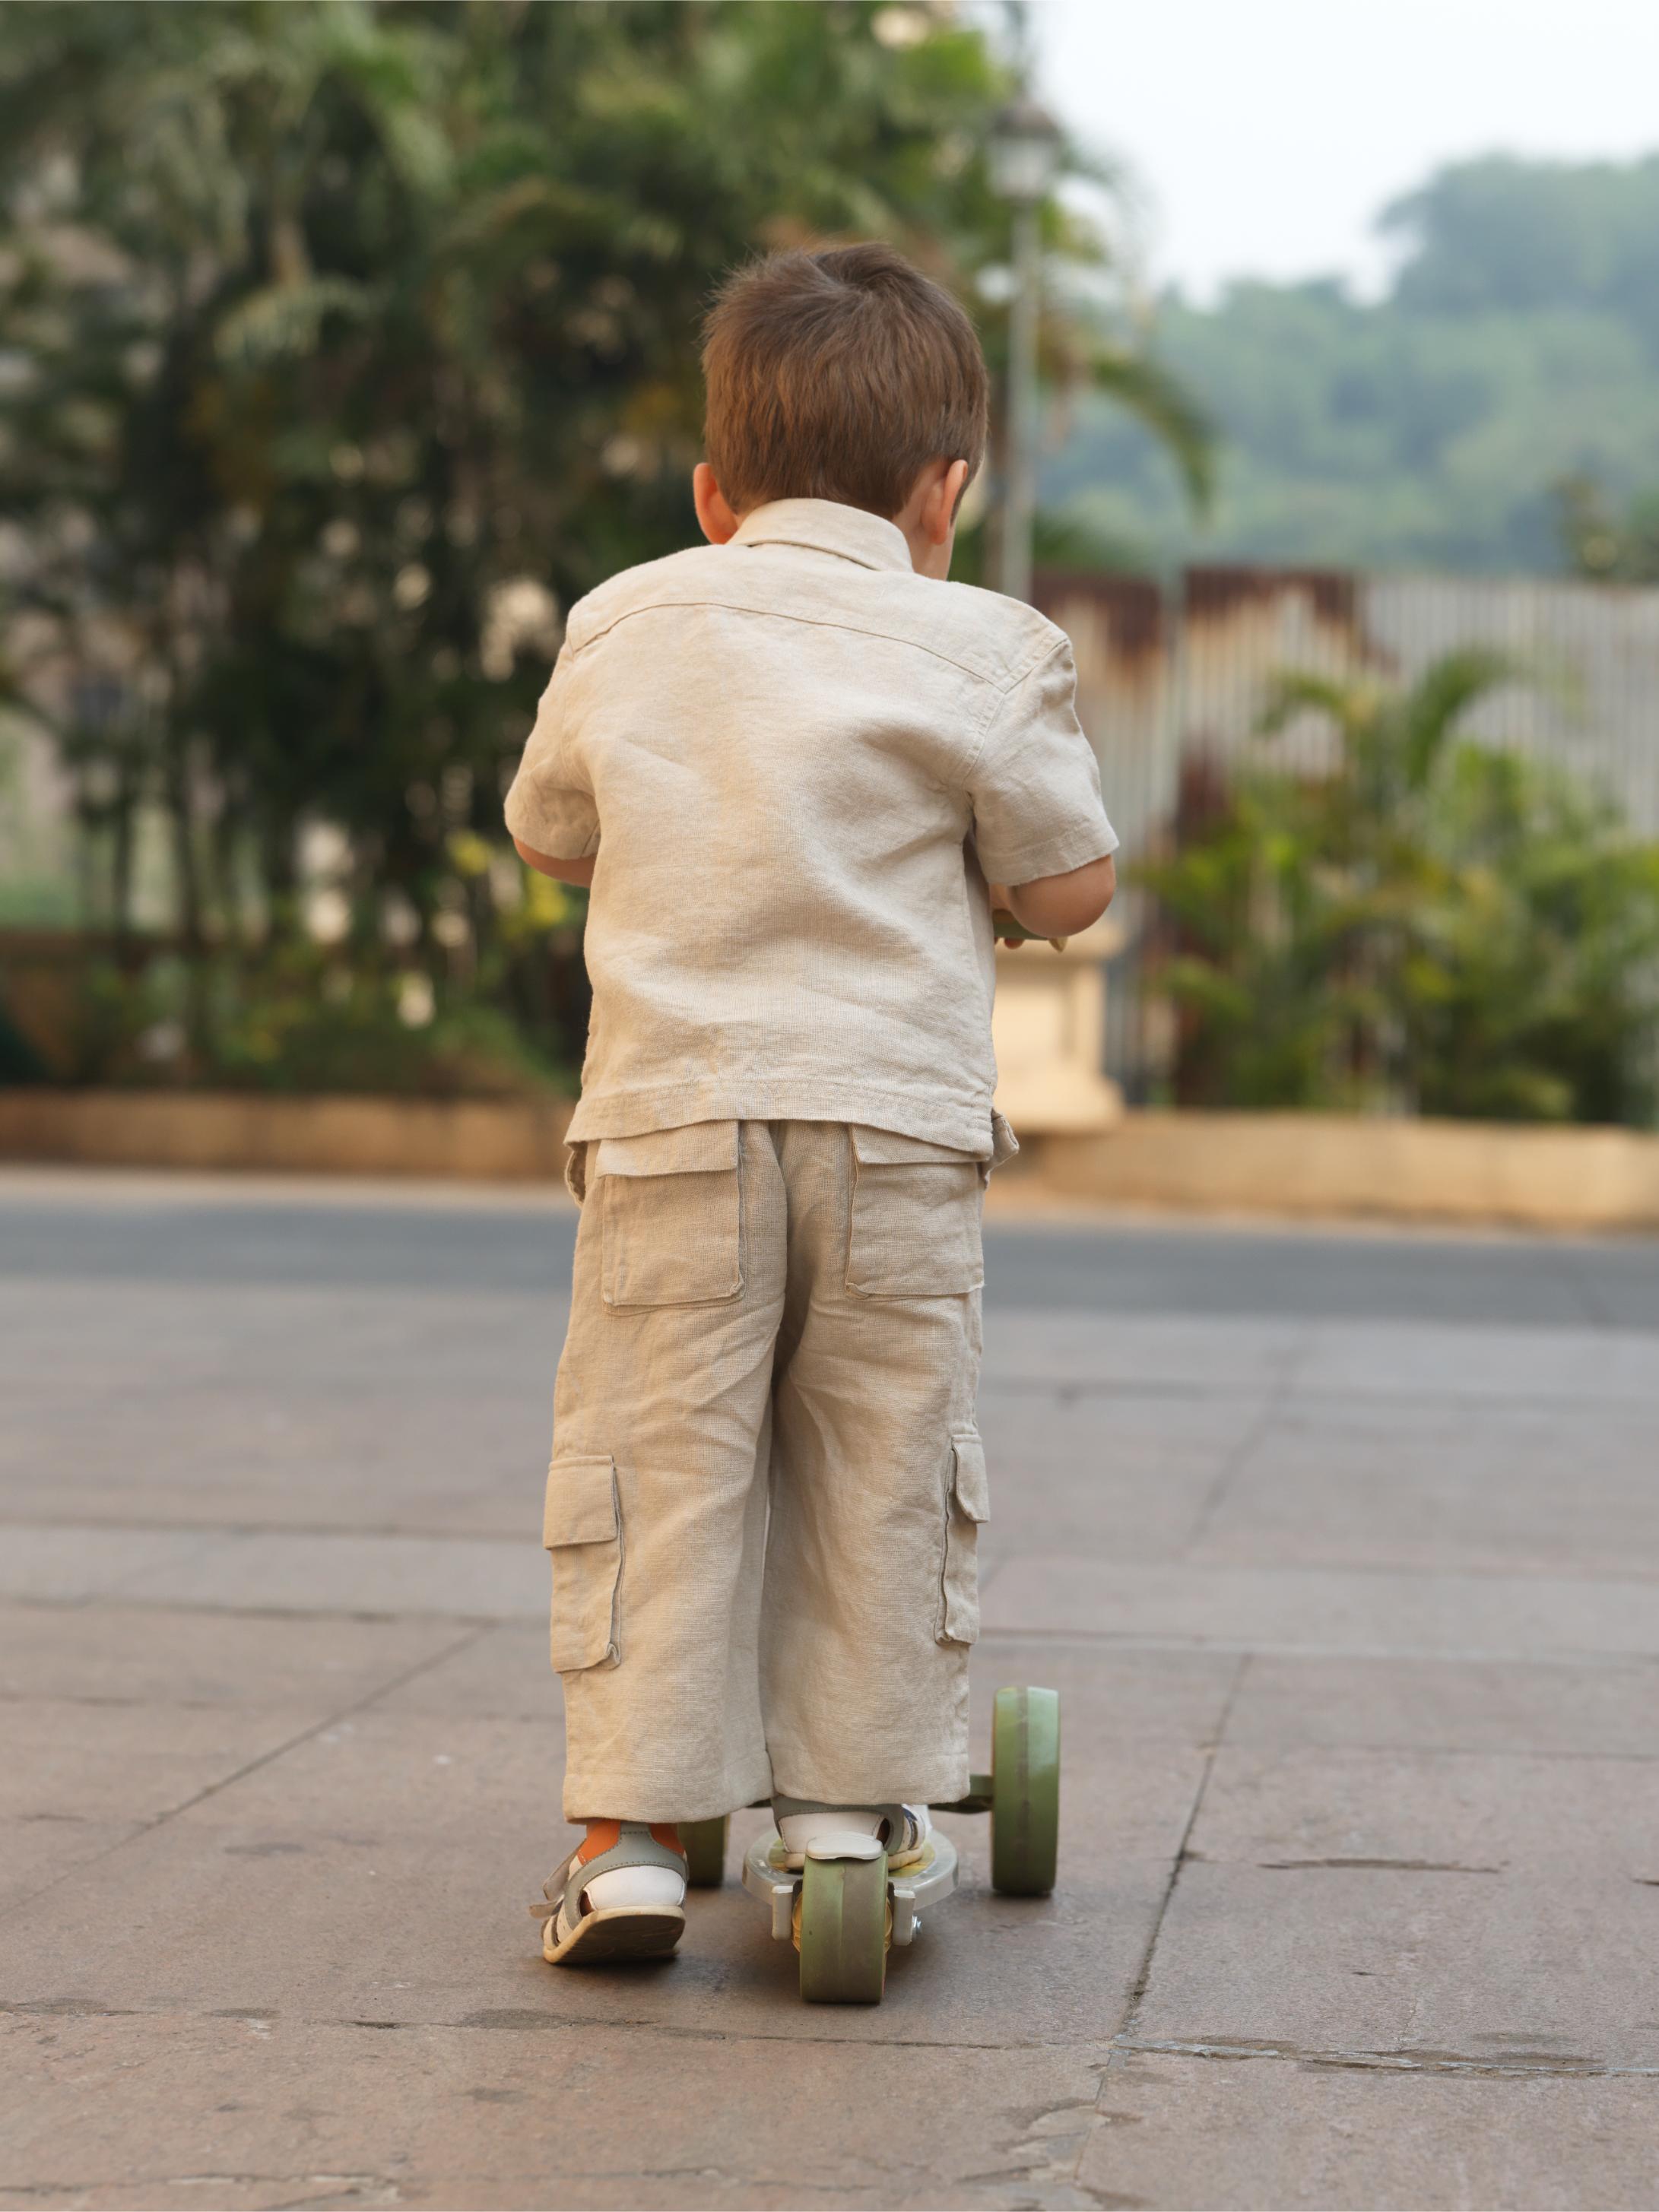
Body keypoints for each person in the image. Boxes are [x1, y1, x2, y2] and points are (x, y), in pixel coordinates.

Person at [509, 242, 1117, 1966]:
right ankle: (844, 1827)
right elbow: (1069, 888)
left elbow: (552, 832)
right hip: (891, 1138)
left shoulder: (624, 620)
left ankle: (626, 1841)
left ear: (713, 492)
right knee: (877, 1457)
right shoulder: (987, 648)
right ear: (946, 491)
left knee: (656, 1460)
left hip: (669, 1127)